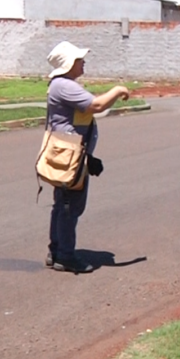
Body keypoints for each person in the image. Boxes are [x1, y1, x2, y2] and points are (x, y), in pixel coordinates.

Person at [44, 41, 130, 273]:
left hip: (69, 153)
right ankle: (65, 255)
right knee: (70, 206)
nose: (83, 62)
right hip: (70, 156)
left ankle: (57, 250)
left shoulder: (62, 85)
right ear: (69, 64)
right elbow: (97, 105)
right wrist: (119, 90)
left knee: (62, 204)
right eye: (79, 60)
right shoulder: (64, 86)